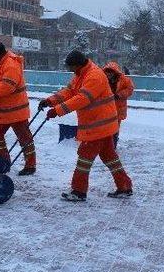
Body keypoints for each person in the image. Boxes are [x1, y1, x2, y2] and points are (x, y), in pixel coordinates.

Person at [40, 50, 133, 201]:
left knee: (84, 158)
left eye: (71, 67)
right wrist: (50, 101)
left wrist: (57, 110)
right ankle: (124, 186)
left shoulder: (94, 76)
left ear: (78, 65)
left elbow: (82, 98)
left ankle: (79, 191)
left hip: (98, 126)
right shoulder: (81, 74)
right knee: (110, 157)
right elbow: (69, 91)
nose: (70, 70)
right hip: (101, 125)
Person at [0, 41, 36, 176]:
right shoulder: (0, 64)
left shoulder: (11, 65)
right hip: (4, 111)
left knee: (24, 138)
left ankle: (30, 165)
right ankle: (2, 162)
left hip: (16, 111)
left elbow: (7, 86)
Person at [103, 61, 134, 148]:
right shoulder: (103, 79)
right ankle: (106, 145)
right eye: (107, 72)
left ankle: (113, 146)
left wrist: (119, 95)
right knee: (105, 127)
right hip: (106, 108)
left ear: (114, 72)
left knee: (115, 128)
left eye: (110, 72)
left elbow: (130, 89)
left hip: (118, 109)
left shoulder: (124, 80)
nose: (108, 74)